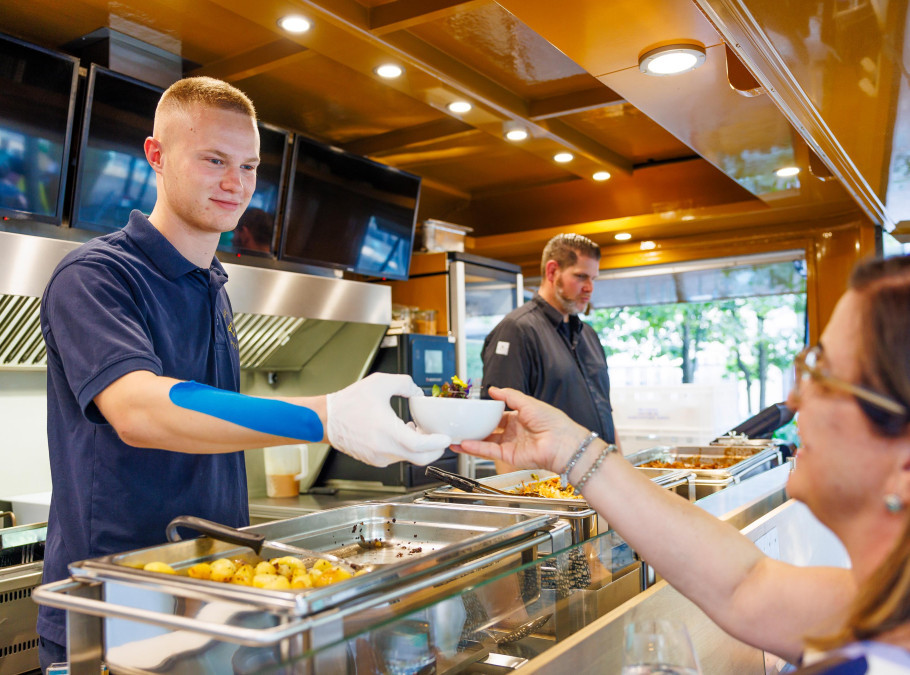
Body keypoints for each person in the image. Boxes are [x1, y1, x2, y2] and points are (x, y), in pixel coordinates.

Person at [37, 77, 451, 672]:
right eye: (214, 160)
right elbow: (139, 410)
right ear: (156, 155)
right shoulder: (96, 276)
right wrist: (326, 416)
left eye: (250, 166)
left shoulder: (215, 286)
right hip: (117, 605)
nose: (236, 183)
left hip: (217, 594)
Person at [461, 254, 910, 672]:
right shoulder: (877, 608)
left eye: (825, 376)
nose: (795, 398)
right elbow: (744, 583)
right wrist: (569, 448)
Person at [481, 233, 616, 472]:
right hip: (550, 486)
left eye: (593, 278)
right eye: (581, 276)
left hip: (601, 480)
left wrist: (621, 471)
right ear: (552, 271)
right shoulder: (517, 330)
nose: (589, 288)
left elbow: (606, 414)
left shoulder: (589, 335)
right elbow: (502, 429)